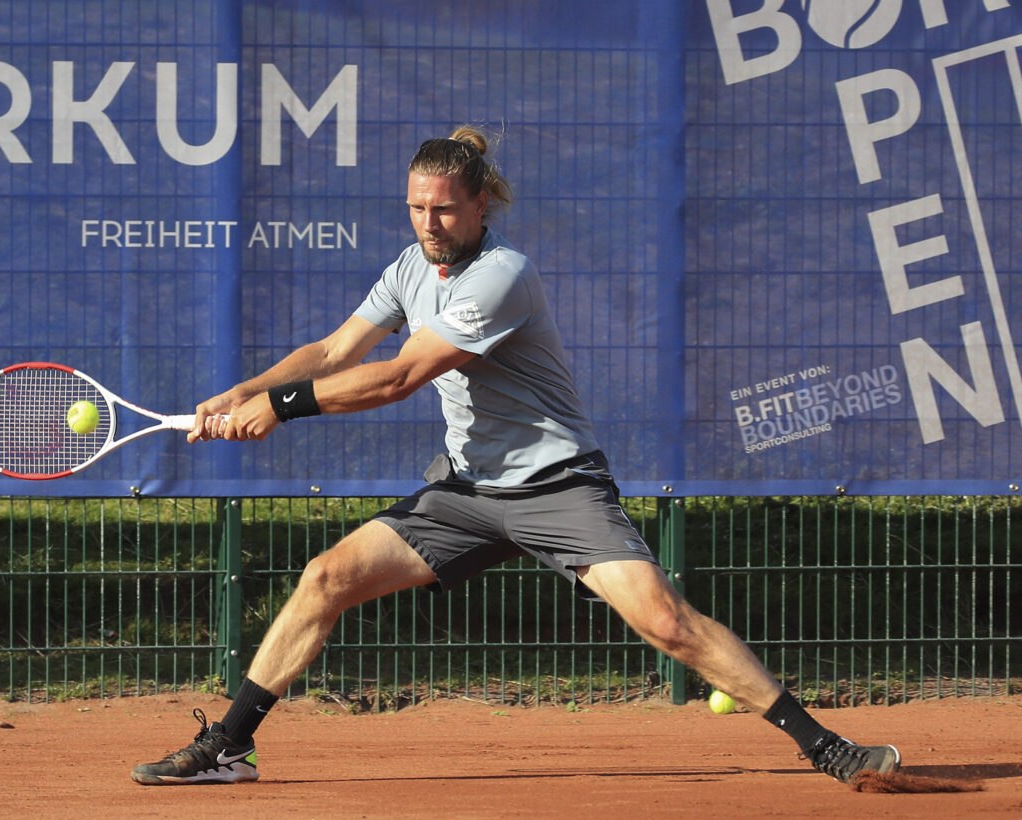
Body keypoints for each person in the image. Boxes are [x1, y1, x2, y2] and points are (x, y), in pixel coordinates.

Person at [130, 126, 901, 786]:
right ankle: (230, 744)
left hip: (557, 486)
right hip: (466, 492)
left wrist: (282, 409)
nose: (428, 222)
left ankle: (828, 748)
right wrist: (245, 392)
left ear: (480, 206)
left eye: (442, 209)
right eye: (416, 208)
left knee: (666, 622)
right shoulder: (409, 266)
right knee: (325, 577)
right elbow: (336, 348)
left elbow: (399, 376)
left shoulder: (503, 275)